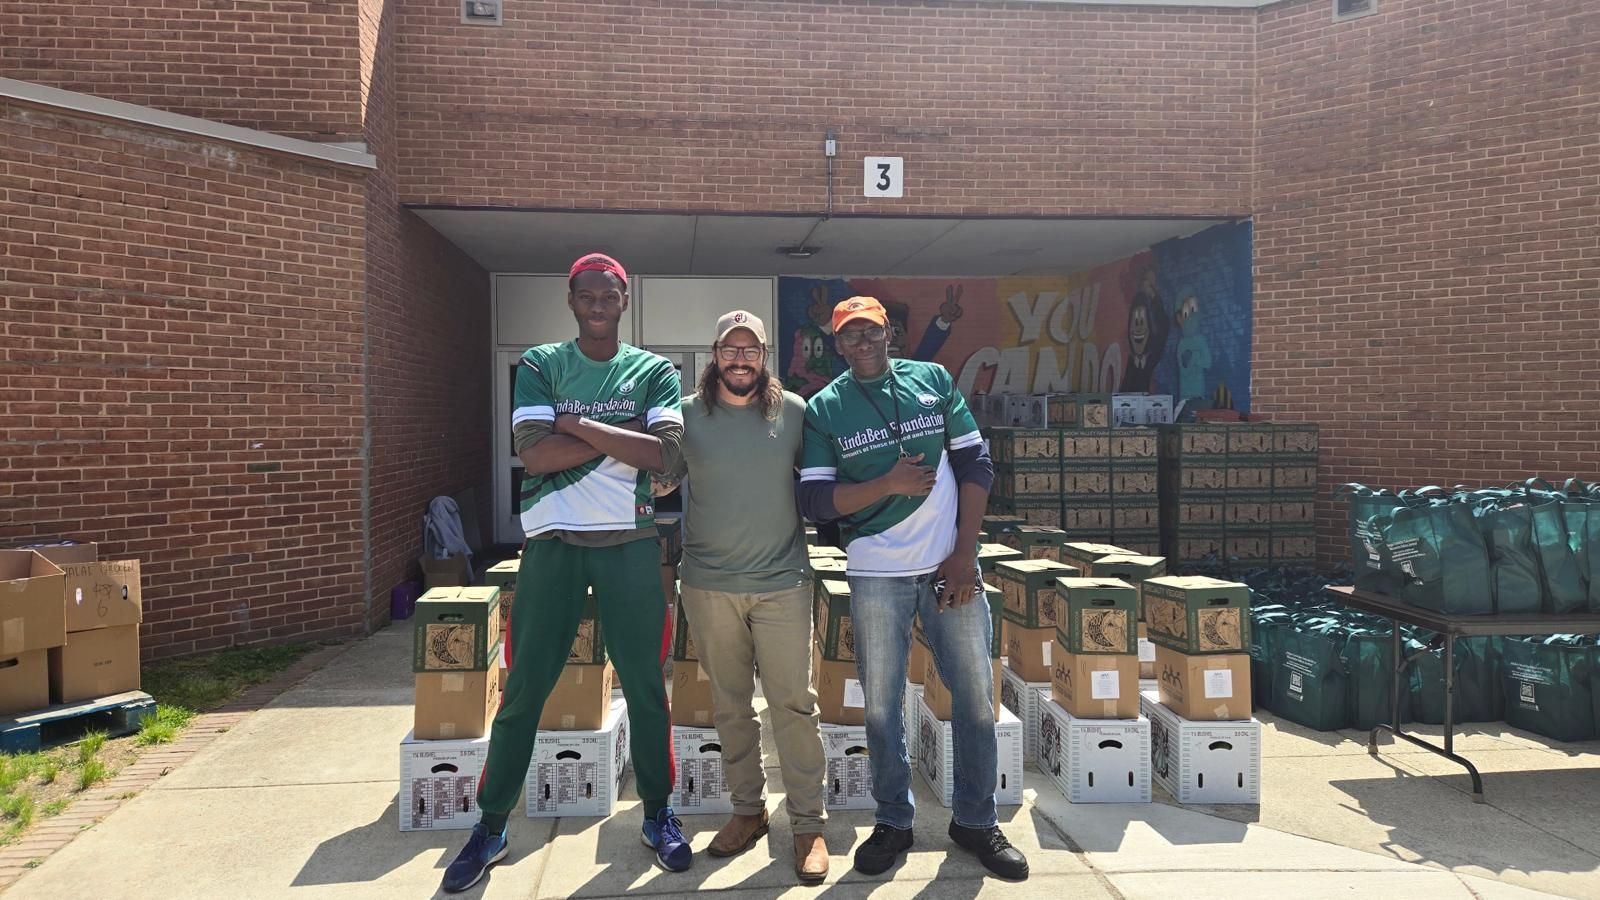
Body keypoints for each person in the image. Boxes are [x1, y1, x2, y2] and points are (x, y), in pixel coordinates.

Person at [441, 253, 691, 893]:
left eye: (609, 293)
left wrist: (574, 424)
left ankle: (658, 815)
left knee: (644, 686)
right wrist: (615, 431)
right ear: (572, 299)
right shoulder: (542, 364)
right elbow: (535, 454)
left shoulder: (654, 370)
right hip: (553, 543)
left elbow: (666, 458)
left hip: (631, 542)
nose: (598, 302)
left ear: (624, 299)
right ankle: (491, 824)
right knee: (525, 687)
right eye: (587, 293)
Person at [796, 296, 1028, 881]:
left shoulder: (932, 381)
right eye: (850, 336)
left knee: (976, 697)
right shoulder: (826, 408)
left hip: (948, 566)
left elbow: (976, 464)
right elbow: (817, 500)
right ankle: (894, 820)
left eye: (871, 331)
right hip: (876, 572)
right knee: (881, 705)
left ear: (889, 333)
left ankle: (976, 819)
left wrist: (964, 552)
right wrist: (888, 483)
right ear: (838, 344)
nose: (862, 343)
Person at [665, 310, 830, 883]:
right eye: (730, 350)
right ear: (715, 353)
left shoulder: (796, 414)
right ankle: (748, 811)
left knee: (793, 705)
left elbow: (827, 483)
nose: (740, 360)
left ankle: (807, 822)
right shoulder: (685, 415)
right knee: (731, 708)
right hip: (709, 585)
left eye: (750, 350)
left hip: (783, 583)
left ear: (765, 355)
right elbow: (654, 476)